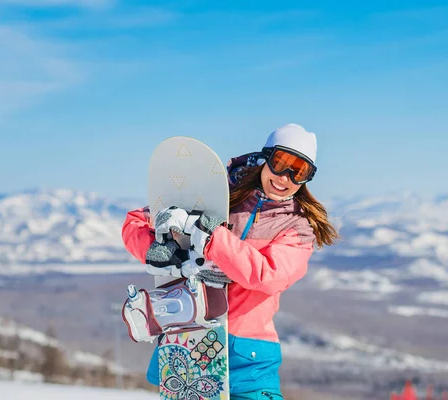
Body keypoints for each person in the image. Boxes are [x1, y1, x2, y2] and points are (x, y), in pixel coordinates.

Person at [122, 123, 339, 399]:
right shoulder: (218, 196)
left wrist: (213, 239)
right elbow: (135, 221)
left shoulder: (298, 228)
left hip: (249, 357)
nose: (285, 177)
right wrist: (154, 248)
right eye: (281, 162)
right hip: (192, 342)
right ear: (266, 157)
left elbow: (267, 275)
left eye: (299, 172)